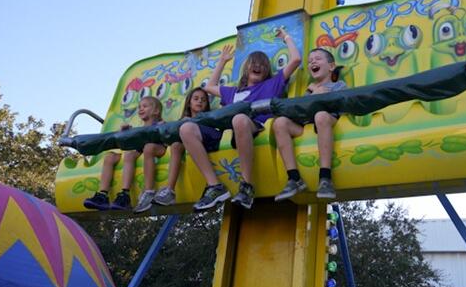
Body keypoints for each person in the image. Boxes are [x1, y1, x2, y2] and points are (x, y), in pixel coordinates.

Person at [193, 29, 301, 210]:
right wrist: (222, 62)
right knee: (187, 129)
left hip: (254, 126)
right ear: (247, 68)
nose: (258, 66)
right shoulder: (233, 92)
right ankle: (214, 186)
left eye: (262, 64)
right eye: (254, 63)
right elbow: (210, 86)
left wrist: (286, 38)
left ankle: (247, 185)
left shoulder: (271, 84)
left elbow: (296, 60)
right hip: (231, 132)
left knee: (240, 119)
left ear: (267, 70)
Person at [273, 48, 346, 201]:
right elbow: (303, 109)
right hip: (307, 125)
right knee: (279, 123)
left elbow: (340, 105)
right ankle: (294, 178)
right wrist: (313, 92)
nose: (312, 62)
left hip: (328, 120)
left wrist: (319, 91)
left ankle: (325, 177)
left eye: (317, 58)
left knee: (320, 116)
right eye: (310, 61)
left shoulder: (339, 85)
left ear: (331, 66)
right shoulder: (310, 90)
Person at [134, 87, 223, 212]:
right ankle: (169, 190)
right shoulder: (182, 121)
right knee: (176, 145)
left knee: (184, 133)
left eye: (203, 100)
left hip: (205, 140)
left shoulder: (208, 117)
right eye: (196, 99)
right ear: (189, 103)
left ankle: (168, 189)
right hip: (185, 143)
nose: (200, 101)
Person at [84, 96, 165, 211]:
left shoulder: (160, 124)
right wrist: (125, 133)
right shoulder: (138, 129)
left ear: (156, 111)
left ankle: (125, 194)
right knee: (110, 157)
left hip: (154, 149)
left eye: (145, 106)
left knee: (130, 155)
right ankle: (103, 195)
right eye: (139, 107)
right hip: (140, 150)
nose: (141, 109)